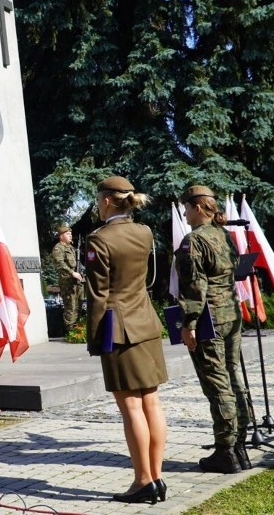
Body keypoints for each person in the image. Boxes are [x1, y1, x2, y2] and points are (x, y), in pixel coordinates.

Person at [85, 176, 167, 505]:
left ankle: (143, 481)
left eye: (97, 199)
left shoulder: (99, 240)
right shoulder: (144, 232)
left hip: (118, 329)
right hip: (146, 323)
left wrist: (93, 339)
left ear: (106, 201)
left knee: (131, 405)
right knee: (151, 402)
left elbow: (98, 296)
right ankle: (156, 478)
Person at [175, 185, 252, 474]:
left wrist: (188, 325)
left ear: (197, 207)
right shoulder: (224, 234)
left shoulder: (193, 241)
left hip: (210, 319)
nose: (184, 212)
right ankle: (240, 445)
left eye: (186, 207)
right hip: (231, 313)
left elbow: (195, 289)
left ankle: (226, 451)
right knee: (234, 378)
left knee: (217, 383)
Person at [51, 224, 83, 333]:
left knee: (78, 306)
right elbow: (59, 263)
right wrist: (72, 273)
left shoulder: (71, 248)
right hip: (67, 282)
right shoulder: (58, 248)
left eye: (71, 234)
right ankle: (70, 332)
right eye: (68, 234)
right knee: (70, 307)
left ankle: (77, 330)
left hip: (76, 282)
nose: (70, 236)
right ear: (61, 236)